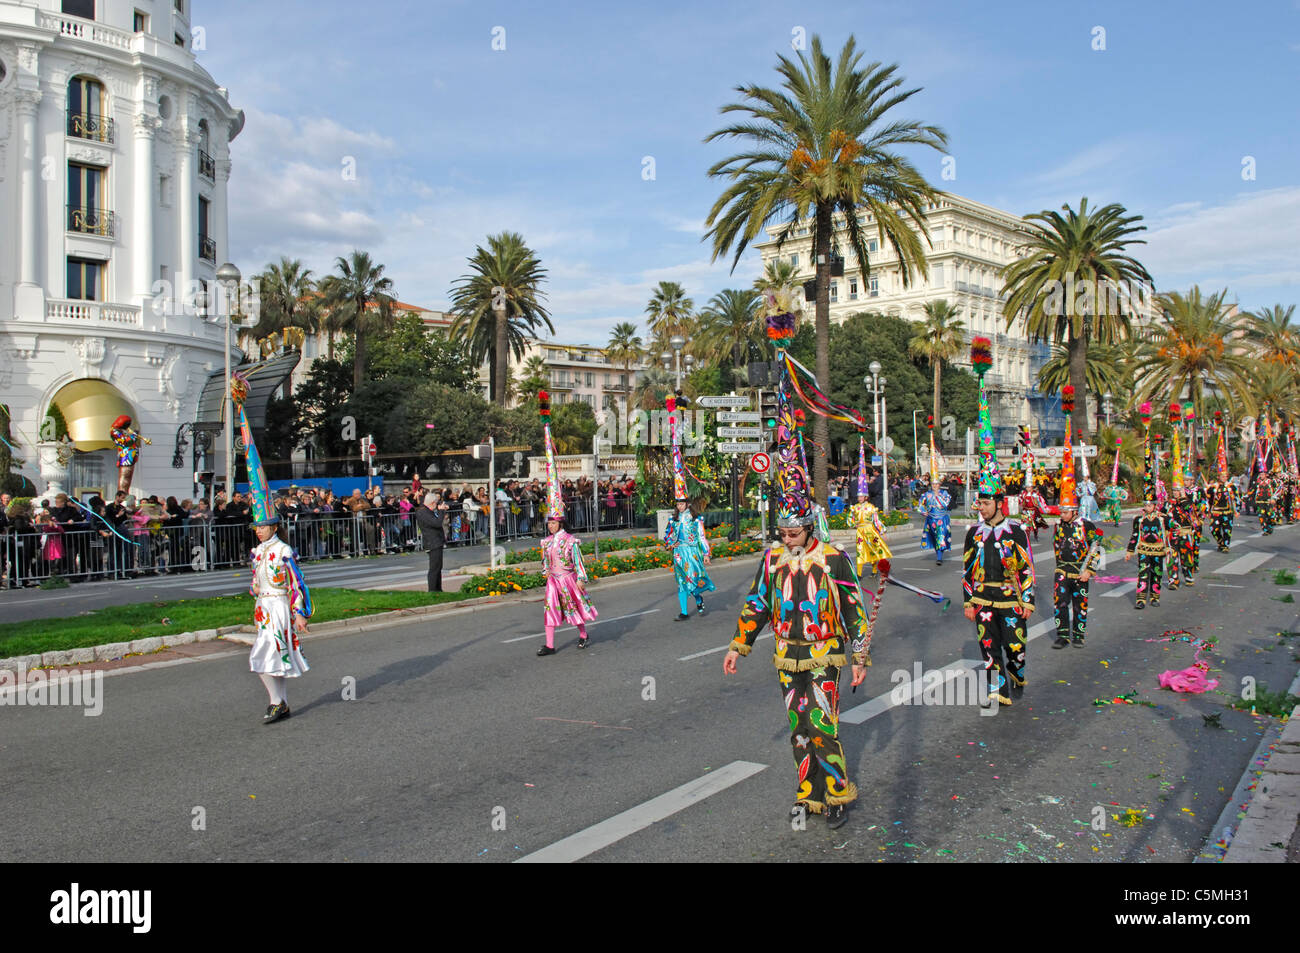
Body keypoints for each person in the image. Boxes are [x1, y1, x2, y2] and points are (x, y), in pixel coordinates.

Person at [722, 368, 870, 830]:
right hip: (787, 655)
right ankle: (807, 794)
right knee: (798, 732)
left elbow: (854, 609)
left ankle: (837, 794)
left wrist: (860, 654)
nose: (787, 539)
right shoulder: (772, 560)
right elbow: (757, 605)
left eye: (794, 532)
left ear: (809, 527)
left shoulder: (834, 558)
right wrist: (737, 645)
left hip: (826, 653)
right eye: (782, 532)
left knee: (824, 728)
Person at [231, 371, 312, 725]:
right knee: (266, 658)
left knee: (268, 656)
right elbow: (255, 581)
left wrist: (300, 612)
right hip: (264, 608)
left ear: (274, 526)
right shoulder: (257, 552)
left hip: (280, 607)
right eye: (257, 527)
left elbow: (298, 582)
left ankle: (279, 702)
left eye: (264, 526)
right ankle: (279, 701)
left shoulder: (283, 551)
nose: (260, 531)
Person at [962, 337, 1035, 707]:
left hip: (1011, 598)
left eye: (986, 500)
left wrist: (1028, 601)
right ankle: (997, 685)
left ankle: (1017, 670)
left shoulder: (1016, 530)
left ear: (999, 503)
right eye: (979, 500)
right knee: (988, 647)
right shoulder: (973, 533)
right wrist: (967, 600)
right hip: (983, 597)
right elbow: (966, 569)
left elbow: (1028, 568)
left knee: (1015, 647)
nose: (981, 505)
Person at [535, 394, 597, 656]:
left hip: (569, 579)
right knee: (550, 610)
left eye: (554, 522)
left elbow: (578, 560)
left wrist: (581, 579)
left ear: (560, 522)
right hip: (554, 581)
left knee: (574, 609)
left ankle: (582, 633)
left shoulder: (571, 541)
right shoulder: (546, 542)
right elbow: (546, 560)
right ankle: (549, 644)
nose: (550, 526)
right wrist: (546, 571)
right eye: (548, 522)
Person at [1051, 428, 1101, 649]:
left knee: (1079, 605)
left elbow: (1097, 547)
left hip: (1080, 572)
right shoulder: (1058, 526)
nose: (1061, 514)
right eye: (1061, 510)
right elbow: (1056, 547)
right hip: (1062, 571)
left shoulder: (1086, 525)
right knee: (1060, 604)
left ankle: (1078, 635)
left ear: (1074, 510)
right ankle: (1062, 635)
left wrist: (1089, 569)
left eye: (1065, 511)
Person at [414, 491, 450, 591]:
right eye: (436, 503)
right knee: (434, 568)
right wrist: (441, 511)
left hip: (436, 542)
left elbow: (436, 520)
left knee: (438, 567)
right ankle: (433, 589)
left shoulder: (428, 511)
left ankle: (438, 589)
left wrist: (439, 511)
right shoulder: (422, 512)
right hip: (432, 542)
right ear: (433, 502)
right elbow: (437, 523)